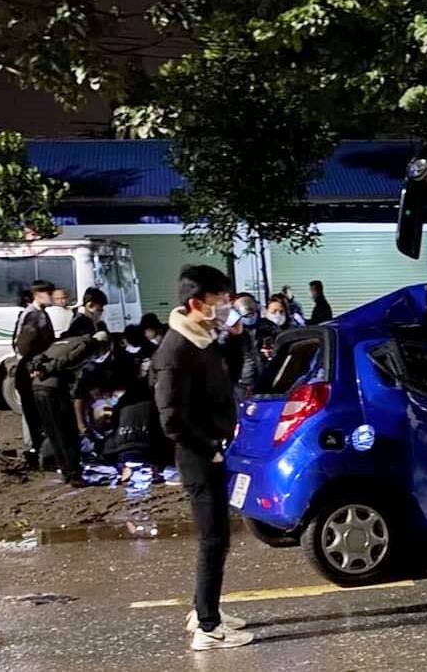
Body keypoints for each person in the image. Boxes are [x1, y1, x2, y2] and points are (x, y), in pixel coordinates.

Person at [151, 265, 254, 651]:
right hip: (198, 455)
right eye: (220, 300)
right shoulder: (175, 351)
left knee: (220, 537)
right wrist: (209, 449)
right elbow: (171, 419)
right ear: (197, 303)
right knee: (213, 539)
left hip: (212, 448)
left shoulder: (202, 338)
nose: (226, 306)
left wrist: (237, 340)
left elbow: (226, 378)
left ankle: (204, 609)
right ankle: (208, 629)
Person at [30, 330, 111, 486]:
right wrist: (48, 369)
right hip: (53, 388)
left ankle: (65, 471)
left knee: (54, 432)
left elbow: (41, 357)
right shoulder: (88, 345)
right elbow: (69, 360)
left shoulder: (67, 341)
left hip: (38, 388)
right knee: (67, 431)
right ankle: (74, 475)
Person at [13, 280, 57, 468]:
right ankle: (37, 455)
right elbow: (24, 346)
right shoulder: (34, 316)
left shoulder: (37, 314)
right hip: (29, 372)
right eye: (49, 293)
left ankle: (39, 453)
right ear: (38, 295)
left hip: (30, 369)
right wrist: (34, 366)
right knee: (35, 416)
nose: (52, 296)